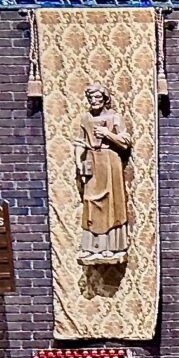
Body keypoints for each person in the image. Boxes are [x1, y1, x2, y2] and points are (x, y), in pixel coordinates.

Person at [74, 85, 134, 263]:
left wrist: (107, 134)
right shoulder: (85, 118)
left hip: (110, 161)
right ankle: (92, 246)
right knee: (91, 200)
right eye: (91, 98)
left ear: (104, 99)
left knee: (111, 202)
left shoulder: (114, 117)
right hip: (93, 159)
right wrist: (78, 162)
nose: (94, 101)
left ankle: (113, 245)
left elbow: (125, 141)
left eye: (97, 97)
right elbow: (80, 141)